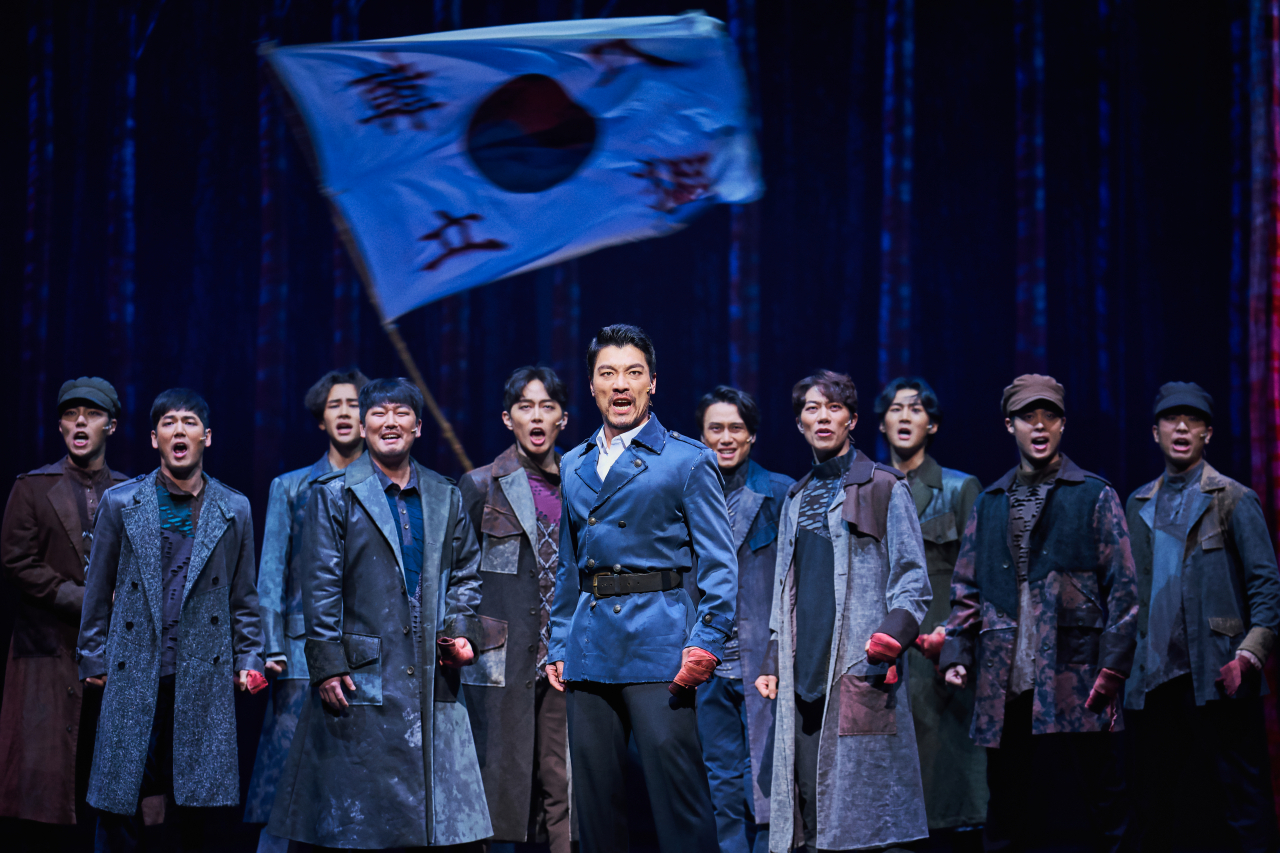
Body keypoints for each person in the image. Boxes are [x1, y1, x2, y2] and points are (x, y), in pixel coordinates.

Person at [268, 377, 491, 850]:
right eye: (379, 413)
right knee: (360, 825)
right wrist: (327, 664)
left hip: (431, 672)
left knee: (434, 823)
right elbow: (320, 585)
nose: (390, 422)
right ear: (365, 427)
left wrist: (458, 630)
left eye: (401, 413)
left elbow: (469, 572)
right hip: (362, 674)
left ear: (418, 426)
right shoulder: (333, 494)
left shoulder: (444, 494)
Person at [545, 324, 736, 853]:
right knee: (598, 807)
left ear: (653, 383)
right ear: (591, 386)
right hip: (589, 646)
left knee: (680, 805)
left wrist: (708, 641)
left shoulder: (686, 458)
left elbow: (719, 563)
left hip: (662, 644)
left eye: (633, 372)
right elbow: (568, 565)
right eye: (608, 373)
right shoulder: (574, 461)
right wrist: (558, 642)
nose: (621, 384)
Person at [940, 374, 1138, 852]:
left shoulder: (1093, 493)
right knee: (1007, 803)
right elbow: (966, 585)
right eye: (1029, 416)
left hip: (1077, 670)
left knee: (1099, 797)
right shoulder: (990, 501)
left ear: (1063, 423)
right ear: (1010, 425)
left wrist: (1113, 665)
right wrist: (956, 653)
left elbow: (1125, 590)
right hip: (1006, 671)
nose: (1040, 424)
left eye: (1049, 414)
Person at [76, 388, 265, 852]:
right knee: (120, 802)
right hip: (133, 669)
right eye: (168, 423)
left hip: (201, 671)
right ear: (154, 438)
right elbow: (97, 589)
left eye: (189, 422)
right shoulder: (124, 503)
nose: (179, 430)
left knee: (195, 806)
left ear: (207, 437)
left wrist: (251, 657)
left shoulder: (232, 507)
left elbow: (244, 596)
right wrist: (92, 658)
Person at [754, 369, 931, 852]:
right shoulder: (795, 496)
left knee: (863, 816)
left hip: (857, 667)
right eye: (812, 408)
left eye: (834, 408)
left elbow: (913, 579)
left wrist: (891, 636)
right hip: (802, 672)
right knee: (809, 815)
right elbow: (783, 588)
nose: (823, 417)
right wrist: (773, 655)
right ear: (800, 423)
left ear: (852, 419)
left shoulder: (882, 486)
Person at [1123, 382, 1280, 852]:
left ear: (1207, 432)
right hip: (1154, 681)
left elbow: (1267, 586)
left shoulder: (1233, 498)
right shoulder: (1137, 504)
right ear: (1156, 432)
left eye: (1192, 419)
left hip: (1216, 675)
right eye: (1172, 418)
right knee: (1152, 809)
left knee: (1242, 806)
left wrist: (1249, 656)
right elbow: (1129, 594)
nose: (1182, 426)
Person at [0, 378, 129, 849]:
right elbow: (16, 561)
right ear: (59, 425)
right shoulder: (33, 487)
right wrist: (80, 598)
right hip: (47, 649)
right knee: (44, 788)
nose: (81, 421)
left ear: (109, 426)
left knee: (107, 782)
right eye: (72, 413)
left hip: (112, 656)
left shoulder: (130, 492)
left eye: (92, 414)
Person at [244, 369, 368, 852]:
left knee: (354, 784)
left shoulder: (384, 490)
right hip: (296, 656)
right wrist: (268, 647)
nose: (344, 412)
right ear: (321, 418)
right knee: (284, 780)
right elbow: (270, 575)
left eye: (354, 403)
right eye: (334, 404)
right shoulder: (291, 486)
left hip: (361, 653)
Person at [459, 366, 574, 853]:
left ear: (563, 418)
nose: (537, 416)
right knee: (501, 781)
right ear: (508, 418)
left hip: (564, 657)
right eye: (526, 406)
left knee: (563, 781)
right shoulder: (481, 485)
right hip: (499, 657)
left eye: (547, 406)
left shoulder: (582, 482)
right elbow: (456, 572)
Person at [875, 377, 986, 846]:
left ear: (932, 424)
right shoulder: (869, 489)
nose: (905, 417)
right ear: (880, 422)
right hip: (886, 654)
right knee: (891, 795)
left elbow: (978, 576)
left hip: (943, 656)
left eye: (916, 409)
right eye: (896, 409)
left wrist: (956, 639)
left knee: (950, 793)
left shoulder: (960, 489)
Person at [694, 385, 792, 853]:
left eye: (736, 428)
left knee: (769, 778)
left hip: (762, 661)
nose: (726, 438)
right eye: (716, 428)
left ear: (751, 436)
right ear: (702, 436)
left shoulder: (779, 492)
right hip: (707, 662)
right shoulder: (686, 493)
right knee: (721, 780)